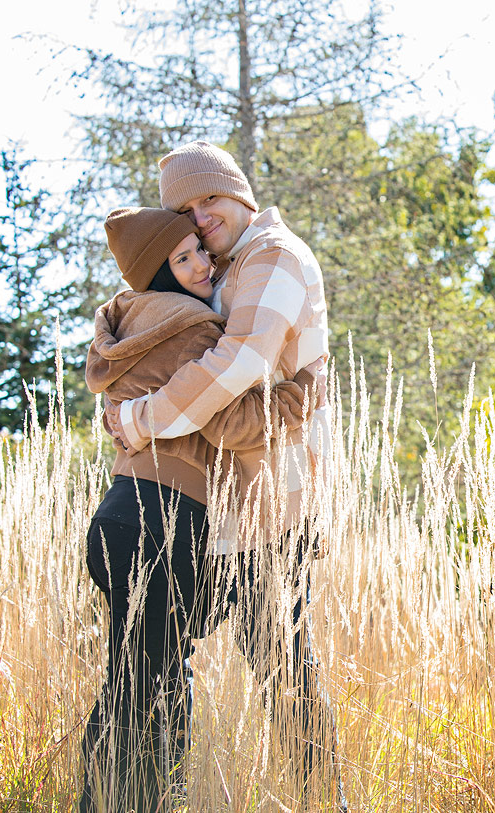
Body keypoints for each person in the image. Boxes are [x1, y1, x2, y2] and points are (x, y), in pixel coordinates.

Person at [103, 141, 347, 810]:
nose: (200, 215)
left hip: (276, 507)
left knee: (282, 669)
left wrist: (141, 417)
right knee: (161, 659)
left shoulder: (274, 256)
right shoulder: (224, 271)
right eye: (185, 207)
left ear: (239, 192)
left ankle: (325, 801)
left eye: (209, 198)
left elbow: (239, 363)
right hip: (227, 509)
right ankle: (152, 793)